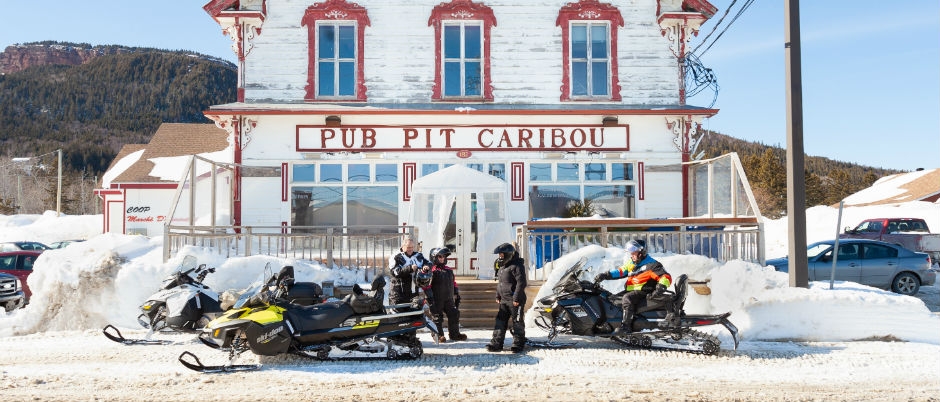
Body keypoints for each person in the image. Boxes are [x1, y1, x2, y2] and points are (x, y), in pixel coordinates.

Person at [594, 239, 674, 335]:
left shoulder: (652, 265)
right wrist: (605, 275)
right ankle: (612, 324)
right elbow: (621, 271)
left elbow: (665, 276)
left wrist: (661, 286)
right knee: (612, 299)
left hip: (644, 291)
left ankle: (626, 327)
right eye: (631, 253)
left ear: (641, 252)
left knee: (627, 298)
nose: (631, 255)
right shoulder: (632, 263)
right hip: (633, 291)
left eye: (634, 253)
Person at [486, 242, 527, 353]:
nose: (500, 257)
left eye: (502, 255)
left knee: (517, 322)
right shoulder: (503, 267)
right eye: (499, 255)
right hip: (504, 300)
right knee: (500, 322)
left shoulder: (517, 266)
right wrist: (498, 295)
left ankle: (518, 344)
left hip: (515, 300)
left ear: (508, 254)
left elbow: (521, 283)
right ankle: (496, 343)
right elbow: (501, 283)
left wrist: (516, 298)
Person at [424, 247, 467, 343]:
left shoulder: (448, 270)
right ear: (434, 257)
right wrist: (429, 298)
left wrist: (456, 292)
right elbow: (426, 285)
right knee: (437, 317)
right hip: (436, 299)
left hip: (448, 298)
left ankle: (455, 334)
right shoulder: (431, 271)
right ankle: (439, 336)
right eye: (440, 256)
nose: (442, 258)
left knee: (454, 314)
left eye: (444, 256)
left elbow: (453, 282)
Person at [389, 237, 431, 311]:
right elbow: (395, 272)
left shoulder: (418, 255)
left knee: (415, 316)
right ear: (403, 246)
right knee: (399, 318)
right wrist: (409, 268)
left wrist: (426, 266)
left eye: (412, 247)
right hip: (398, 294)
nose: (410, 249)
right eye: (408, 247)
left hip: (414, 294)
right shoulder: (396, 256)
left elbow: (429, 262)